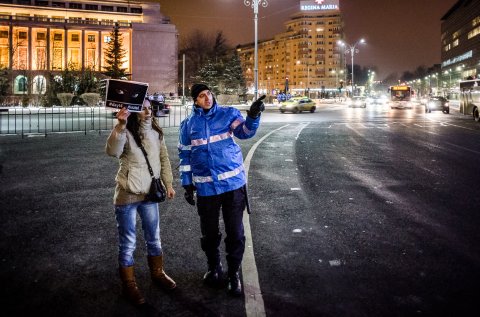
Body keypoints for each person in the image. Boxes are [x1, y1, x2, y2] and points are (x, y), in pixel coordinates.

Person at [178, 83, 265, 296]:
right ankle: (214, 268)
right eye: (201, 96)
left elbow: (245, 132)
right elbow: (185, 156)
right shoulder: (188, 125)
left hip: (233, 186)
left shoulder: (228, 114)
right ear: (195, 101)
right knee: (209, 233)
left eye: (208, 93)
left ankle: (234, 274)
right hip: (206, 188)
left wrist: (253, 116)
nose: (207, 98)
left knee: (235, 232)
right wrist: (187, 183)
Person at [105, 98, 176, 306]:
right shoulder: (125, 131)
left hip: (150, 194)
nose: (148, 111)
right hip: (127, 194)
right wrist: (120, 125)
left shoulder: (155, 132)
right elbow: (112, 151)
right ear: (135, 111)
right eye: (143, 109)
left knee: (154, 238)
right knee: (128, 243)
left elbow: (164, 159)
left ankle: (158, 273)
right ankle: (129, 285)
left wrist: (169, 184)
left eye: (149, 108)